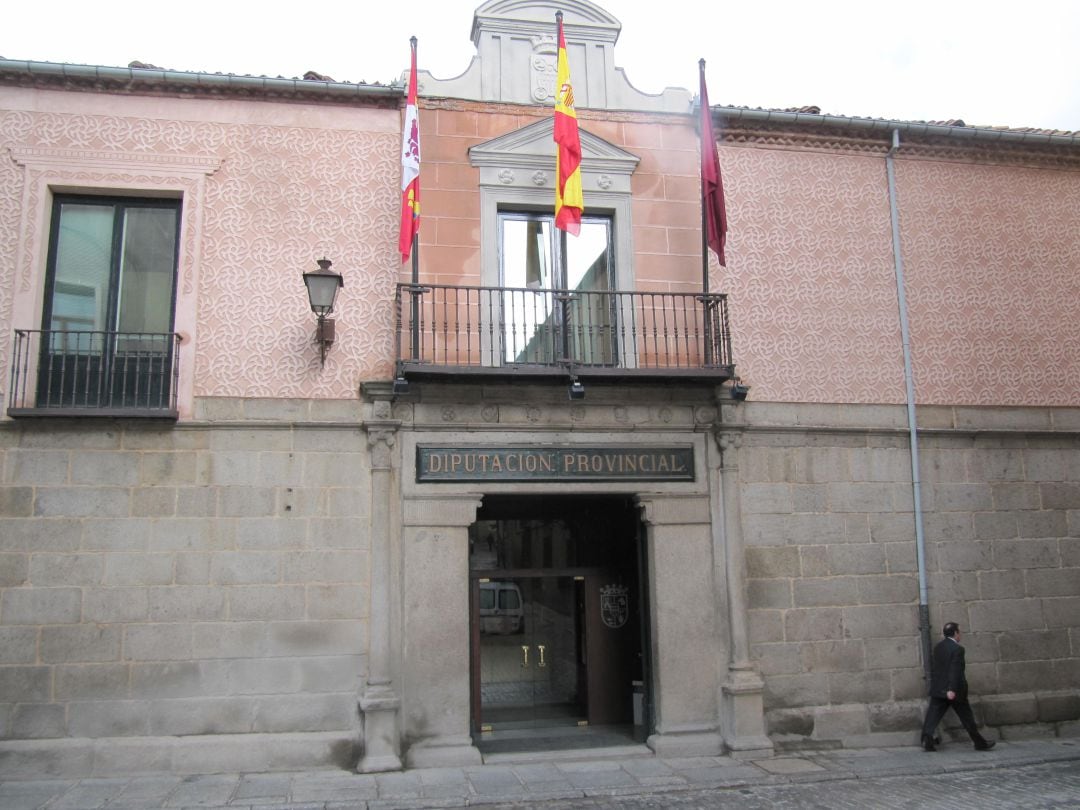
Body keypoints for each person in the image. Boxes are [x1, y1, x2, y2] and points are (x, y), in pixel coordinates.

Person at [920, 622, 995, 751]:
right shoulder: (958, 649)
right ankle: (979, 743)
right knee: (967, 717)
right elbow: (955, 670)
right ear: (955, 633)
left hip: (939, 688)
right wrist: (951, 689)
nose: (960, 634)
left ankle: (927, 740)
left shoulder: (938, 647)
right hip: (954, 691)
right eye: (959, 631)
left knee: (932, 716)